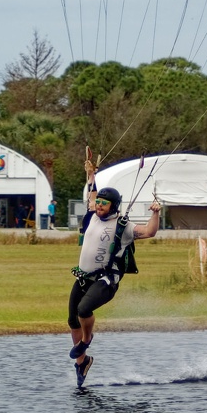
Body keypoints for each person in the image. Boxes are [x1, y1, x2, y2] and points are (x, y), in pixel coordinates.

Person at [69, 157, 160, 388]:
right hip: (83, 277)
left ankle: (87, 341)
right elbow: (91, 192)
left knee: (84, 309)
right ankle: (83, 362)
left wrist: (156, 213)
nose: (98, 205)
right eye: (98, 202)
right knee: (72, 320)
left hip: (106, 280)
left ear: (114, 206)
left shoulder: (124, 226)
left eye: (104, 203)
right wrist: (91, 173)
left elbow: (149, 232)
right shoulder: (91, 215)